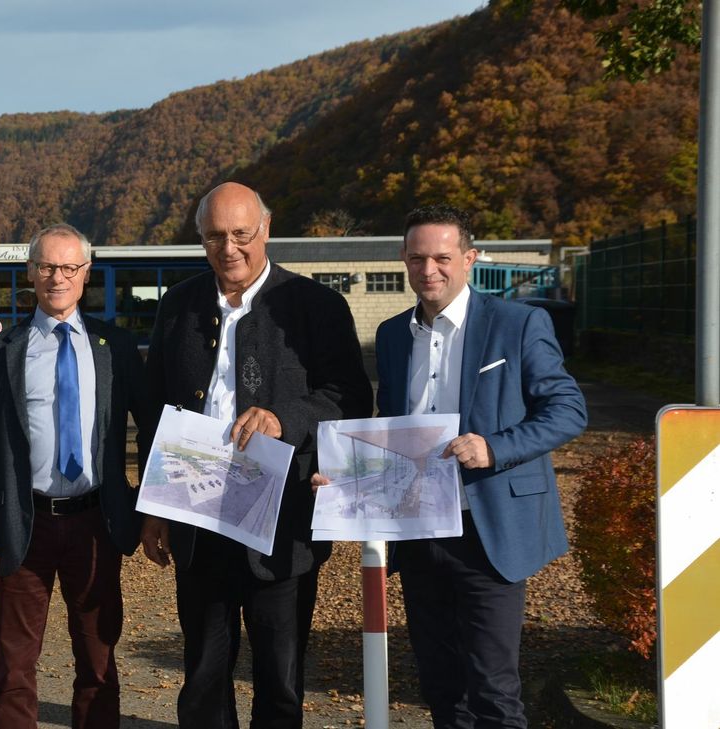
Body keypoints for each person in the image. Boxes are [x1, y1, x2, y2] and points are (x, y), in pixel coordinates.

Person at [140, 182, 373, 728]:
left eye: (242, 234)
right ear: (201, 239)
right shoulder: (178, 305)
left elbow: (349, 396)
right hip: (197, 514)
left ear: (266, 229)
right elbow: (153, 411)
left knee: (281, 679)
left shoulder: (316, 306)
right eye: (216, 236)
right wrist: (152, 505)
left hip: (282, 525)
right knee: (202, 676)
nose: (230, 248)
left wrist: (283, 418)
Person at [374, 204, 587, 728]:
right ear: (404, 259)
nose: (430, 270)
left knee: (493, 688)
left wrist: (495, 447)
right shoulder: (391, 335)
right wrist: (348, 473)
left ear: (469, 259)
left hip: (488, 528)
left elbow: (568, 410)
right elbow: (388, 426)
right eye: (418, 258)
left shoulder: (518, 323)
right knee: (440, 684)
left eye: (443, 258)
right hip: (419, 530)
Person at [0, 223, 149, 729]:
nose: (57, 277)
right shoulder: (3, 352)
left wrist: (155, 512)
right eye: (47, 266)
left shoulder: (116, 347)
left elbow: (153, 430)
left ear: (86, 274)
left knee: (98, 664)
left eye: (69, 267)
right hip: (23, 527)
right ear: (30, 273)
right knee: (14, 669)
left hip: (96, 524)